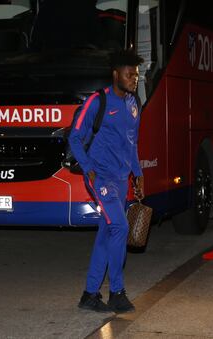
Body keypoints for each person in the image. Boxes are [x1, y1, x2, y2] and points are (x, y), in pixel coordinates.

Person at [68, 49, 144, 313]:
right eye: (129, 74)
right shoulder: (97, 101)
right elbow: (74, 138)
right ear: (115, 74)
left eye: (136, 74)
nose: (134, 79)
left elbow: (132, 143)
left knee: (107, 234)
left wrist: (138, 173)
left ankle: (89, 295)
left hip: (122, 178)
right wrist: (88, 167)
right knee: (120, 228)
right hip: (100, 176)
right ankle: (117, 292)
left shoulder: (134, 103)